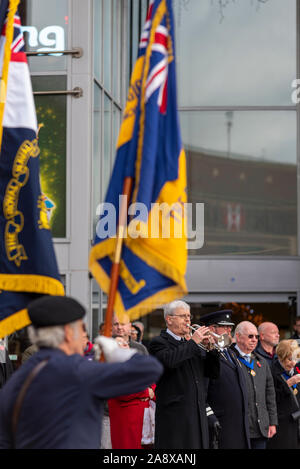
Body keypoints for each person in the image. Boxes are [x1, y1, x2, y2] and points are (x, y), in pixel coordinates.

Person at [0, 295, 163, 449]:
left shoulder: (18, 380)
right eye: (82, 328)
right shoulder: (78, 370)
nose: (84, 335)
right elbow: (151, 369)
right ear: (69, 333)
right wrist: (117, 353)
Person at [148, 300, 220, 449]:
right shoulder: (159, 342)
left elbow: (212, 373)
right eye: (183, 316)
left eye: (189, 316)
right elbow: (170, 362)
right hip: (175, 417)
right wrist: (193, 343)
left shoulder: (192, 345)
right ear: (169, 319)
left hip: (197, 415)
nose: (188, 320)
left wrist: (211, 349)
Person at [202, 310, 250, 449]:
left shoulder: (230, 352)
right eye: (225, 326)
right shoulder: (205, 354)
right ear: (212, 329)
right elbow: (202, 392)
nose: (229, 330)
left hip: (239, 424)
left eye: (230, 327)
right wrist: (211, 417)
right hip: (221, 423)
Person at [231, 321, 278, 449]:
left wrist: (272, 422)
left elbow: (270, 394)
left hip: (260, 428)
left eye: (256, 337)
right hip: (238, 428)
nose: (254, 340)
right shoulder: (228, 359)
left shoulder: (261, 362)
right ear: (238, 337)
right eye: (250, 336)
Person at [108, 337, 156, 449]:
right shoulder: (111, 366)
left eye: (125, 342)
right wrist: (146, 392)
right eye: (119, 343)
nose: (124, 344)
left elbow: (152, 382)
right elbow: (122, 390)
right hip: (126, 421)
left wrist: (152, 393)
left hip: (146, 421)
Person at [267, 340, 300, 449]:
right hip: (281, 424)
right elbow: (271, 397)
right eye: (290, 359)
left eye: (296, 359)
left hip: (296, 423)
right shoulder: (271, 371)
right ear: (281, 357)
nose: (293, 363)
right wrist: (289, 383)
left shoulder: (297, 370)